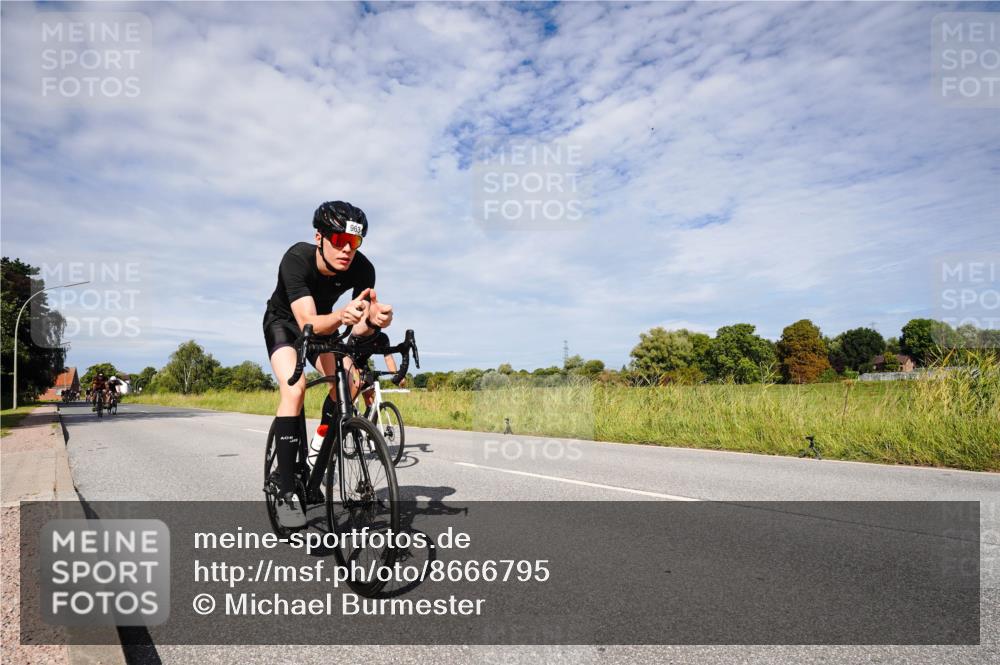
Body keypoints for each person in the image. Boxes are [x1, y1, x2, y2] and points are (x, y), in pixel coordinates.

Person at [263, 201, 394, 527]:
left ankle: (319, 448)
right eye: (339, 241)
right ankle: (287, 487)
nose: (347, 250)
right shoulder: (297, 259)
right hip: (285, 323)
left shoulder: (363, 269)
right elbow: (307, 321)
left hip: (326, 326)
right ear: (319, 237)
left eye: (354, 243)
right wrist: (340, 316)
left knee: (348, 382)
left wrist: (375, 322)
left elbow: (359, 329)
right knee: (295, 389)